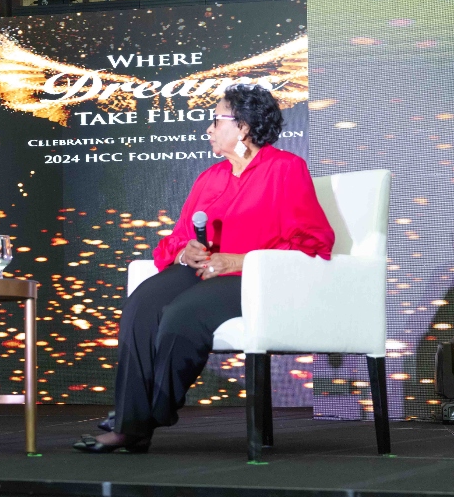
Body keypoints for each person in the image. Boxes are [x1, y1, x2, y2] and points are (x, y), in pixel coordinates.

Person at [74, 85, 335, 453]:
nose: (208, 130)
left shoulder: (286, 169)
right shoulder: (210, 178)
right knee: (141, 306)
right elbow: (177, 238)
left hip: (254, 276)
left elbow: (314, 241)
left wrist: (238, 260)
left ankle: (135, 423)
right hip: (203, 269)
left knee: (182, 313)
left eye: (216, 120)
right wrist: (186, 253)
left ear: (242, 127)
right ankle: (131, 420)